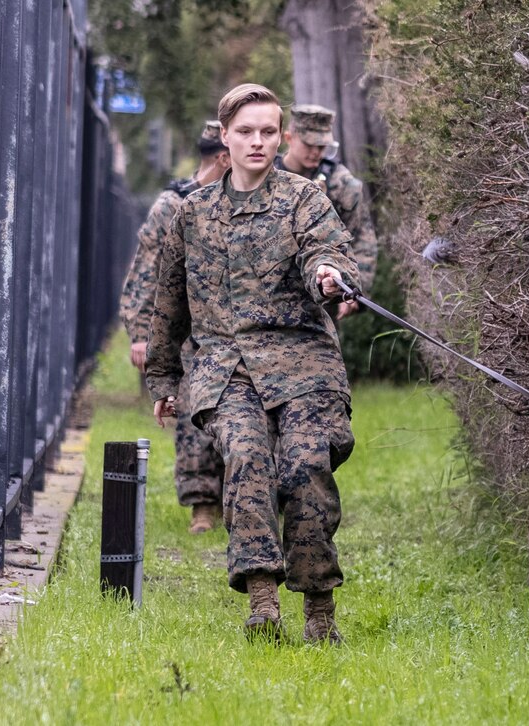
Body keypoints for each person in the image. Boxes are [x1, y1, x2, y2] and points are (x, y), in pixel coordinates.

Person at [145, 83, 360, 644]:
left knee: (306, 466)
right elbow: (169, 301)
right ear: (225, 138)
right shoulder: (191, 213)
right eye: (245, 132)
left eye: (268, 131)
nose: (258, 142)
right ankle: (263, 600)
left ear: (282, 136)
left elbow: (329, 249)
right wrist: (164, 378)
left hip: (304, 363)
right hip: (227, 367)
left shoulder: (305, 199)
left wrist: (329, 275)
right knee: (245, 459)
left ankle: (319, 611)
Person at [118, 121, 232, 534]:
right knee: (189, 415)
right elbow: (146, 270)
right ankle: (202, 503)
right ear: (223, 157)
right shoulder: (173, 205)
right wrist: (140, 333)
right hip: (186, 328)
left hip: (232, 326)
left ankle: (243, 499)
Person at [275, 104, 378, 321]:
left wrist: (354, 290)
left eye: (322, 146)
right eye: (309, 144)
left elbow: (362, 239)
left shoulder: (342, 184)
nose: (316, 152)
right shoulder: (266, 176)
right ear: (289, 137)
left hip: (322, 295)